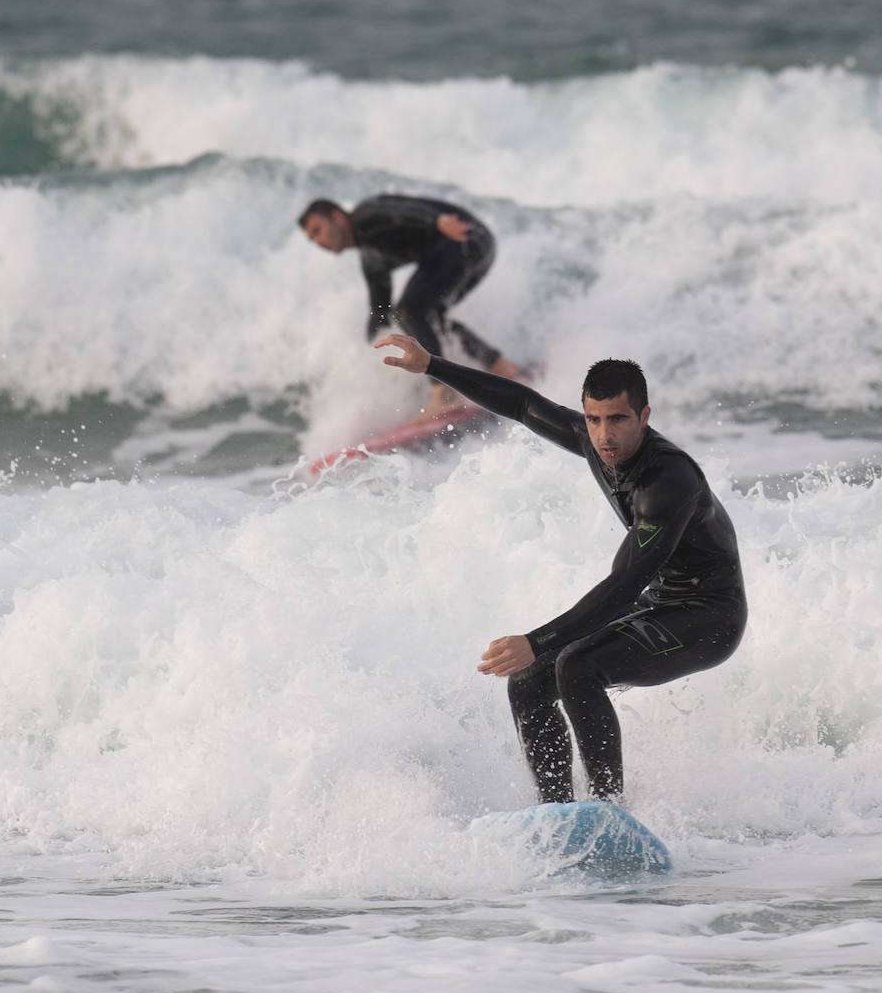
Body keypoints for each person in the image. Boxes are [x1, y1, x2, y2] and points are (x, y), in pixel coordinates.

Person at [376, 332, 748, 805]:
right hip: (660, 602)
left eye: (618, 420)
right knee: (529, 680)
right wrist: (432, 365)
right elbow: (523, 404)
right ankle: (559, 813)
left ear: (644, 417)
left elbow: (622, 586)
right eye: (594, 419)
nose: (604, 435)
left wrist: (535, 641)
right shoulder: (597, 443)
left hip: (710, 617)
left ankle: (608, 810)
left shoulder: (668, 481)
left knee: (576, 666)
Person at [298, 193, 521, 414]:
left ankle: (444, 391)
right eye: (312, 239)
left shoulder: (365, 217)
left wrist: (437, 221)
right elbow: (379, 313)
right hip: (474, 247)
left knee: (409, 311)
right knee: (427, 319)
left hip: (462, 240)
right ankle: (499, 365)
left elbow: (400, 211)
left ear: (337, 216)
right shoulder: (372, 260)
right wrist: (368, 353)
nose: (318, 242)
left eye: (318, 230)